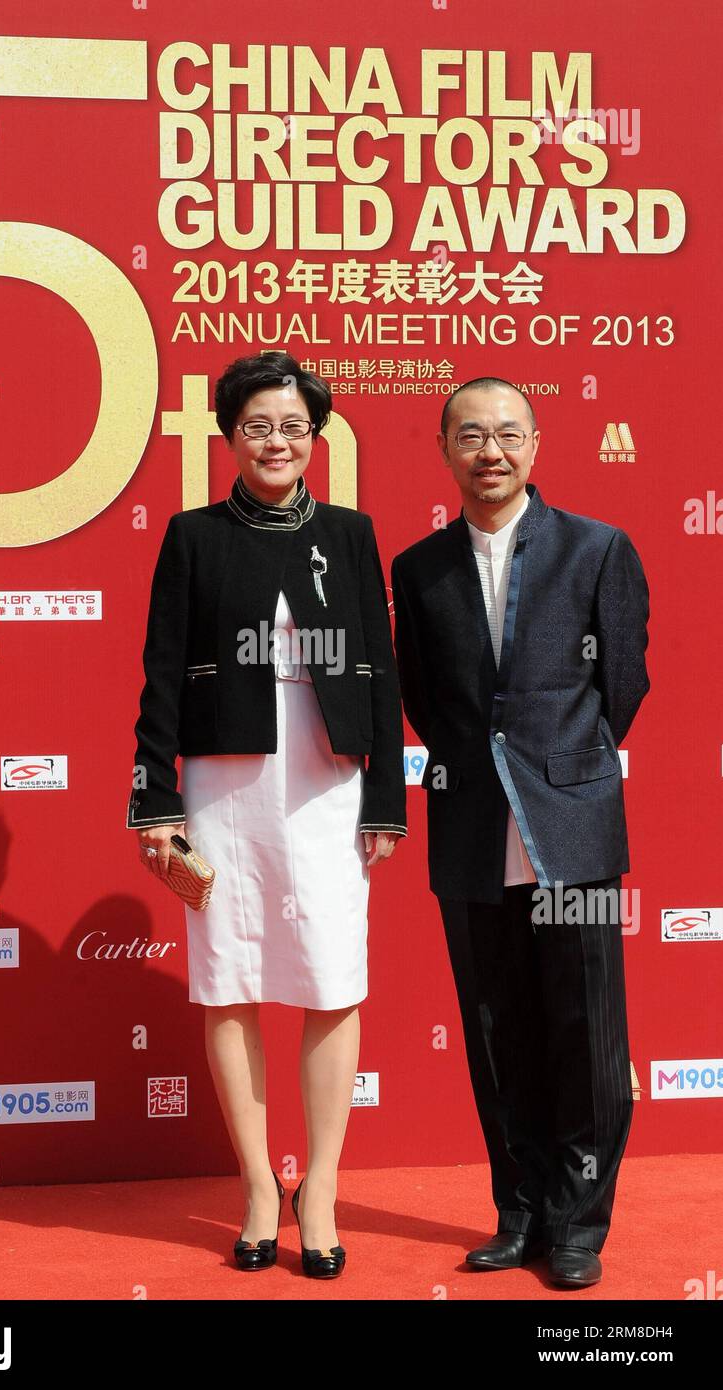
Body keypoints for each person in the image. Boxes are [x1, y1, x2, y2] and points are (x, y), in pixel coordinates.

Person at [126, 351, 407, 1278]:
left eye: (291, 424)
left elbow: (381, 664)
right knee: (227, 975)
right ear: (229, 436)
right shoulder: (193, 534)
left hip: (328, 782)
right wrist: (154, 799)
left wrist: (385, 799)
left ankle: (317, 1188)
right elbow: (162, 670)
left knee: (330, 979)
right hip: (221, 783)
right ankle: (256, 1185)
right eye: (256, 425)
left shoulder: (353, 532)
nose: (275, 440)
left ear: (315, 434)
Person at [391, 377, 650, 1289]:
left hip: (568, 824)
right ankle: (520, 1213)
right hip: (469, 828)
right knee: (495, 1030)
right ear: (444, 449)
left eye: (506, 434)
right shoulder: (416, 569)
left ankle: (580, 1222)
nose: (488, 451)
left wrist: (560, 764)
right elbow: (424, 699)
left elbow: (620, 686)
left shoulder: (596, 550)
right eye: (470, 436)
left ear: (535, 446)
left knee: (584, 1033)